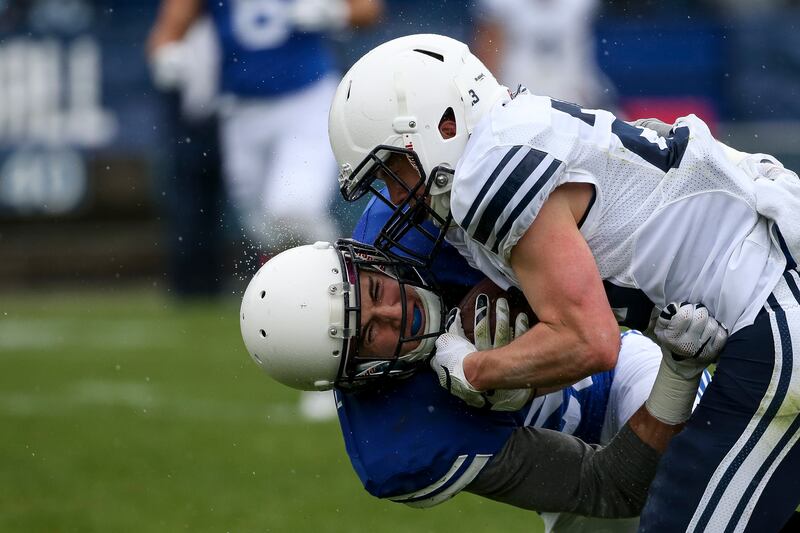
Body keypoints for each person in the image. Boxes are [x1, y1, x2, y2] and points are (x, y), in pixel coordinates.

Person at [327, 33, 800, 531]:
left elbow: (591, 343)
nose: (396, 197)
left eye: (392, 168)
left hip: (768, 306)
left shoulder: (482, 177)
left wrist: (475, 369)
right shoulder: (511, 128)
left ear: (440, 125)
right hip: (767, 284)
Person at [239, 238, 711, 532]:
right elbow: (607, 485)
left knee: (698, 488)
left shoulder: (415, 227)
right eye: (369, 334)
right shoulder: (400, 446)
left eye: (376, 292)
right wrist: (680, 371)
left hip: (617, 372)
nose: (394, 313)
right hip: (573, 465)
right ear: (354, 378)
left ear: (365, 261)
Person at [147, 0, 383, 257]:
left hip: (305, 99)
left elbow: (369, 10)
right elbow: (168, 30)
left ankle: (341, 272)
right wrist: (166, 55)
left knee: (293, 210)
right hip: (240, 111)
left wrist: (335, 12)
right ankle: (298, 287)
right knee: (262, 228)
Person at [473, 0, 616, 110]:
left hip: (571, 90)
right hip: (517, 92)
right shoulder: (503, 5)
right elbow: (489, 56)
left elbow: (584, 55)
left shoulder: (580, 5)